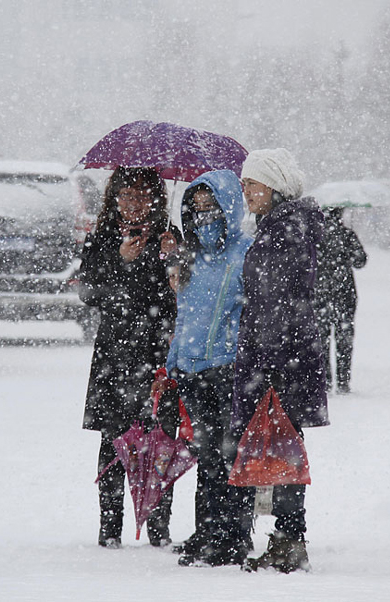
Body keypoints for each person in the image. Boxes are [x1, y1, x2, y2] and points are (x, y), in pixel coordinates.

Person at [232, 148, 329, 573]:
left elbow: (276, 304)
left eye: (253, 184)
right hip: (287, 355)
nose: (246, 191)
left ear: (274, 188)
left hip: (280, 360)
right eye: (244, 184)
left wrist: (265, 365)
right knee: (283, 448)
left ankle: (290, 540)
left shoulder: (285, 230)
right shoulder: (280, 226)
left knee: (284, 448)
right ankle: (288, 537)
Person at [152, 170, 254, 567]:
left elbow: (249, 311)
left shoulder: (245, 252)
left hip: (228, 368)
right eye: (195, 209)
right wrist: (173, 361)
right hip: (192, 371)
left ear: (228, 208)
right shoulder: (189, 256)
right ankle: (208, 531)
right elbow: (184, 316)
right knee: (207, 455)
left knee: (230, 456)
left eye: (211, 207)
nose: (204, 217)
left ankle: (233, 537)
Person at [78, 166, 178, 549]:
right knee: (113, 440)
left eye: (141, 195)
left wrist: (175, 260)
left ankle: (159, 527)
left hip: (158, 353)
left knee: (160, 441)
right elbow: (89, 293)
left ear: (155, 199)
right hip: (115, 355)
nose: (134, 202)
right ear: (114, 198)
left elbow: (180, 295)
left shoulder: (169, 237)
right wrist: (119, 261)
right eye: (126, 194)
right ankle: (109, 528)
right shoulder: (102, 237)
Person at [314, 206, 368, 394]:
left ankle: (326, 381)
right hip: (344, 294)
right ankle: (343, 381)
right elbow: (361, 261)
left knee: (322, 339)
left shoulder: (314, 236)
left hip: (319, 294)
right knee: (344, 338)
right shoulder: (347, 234)